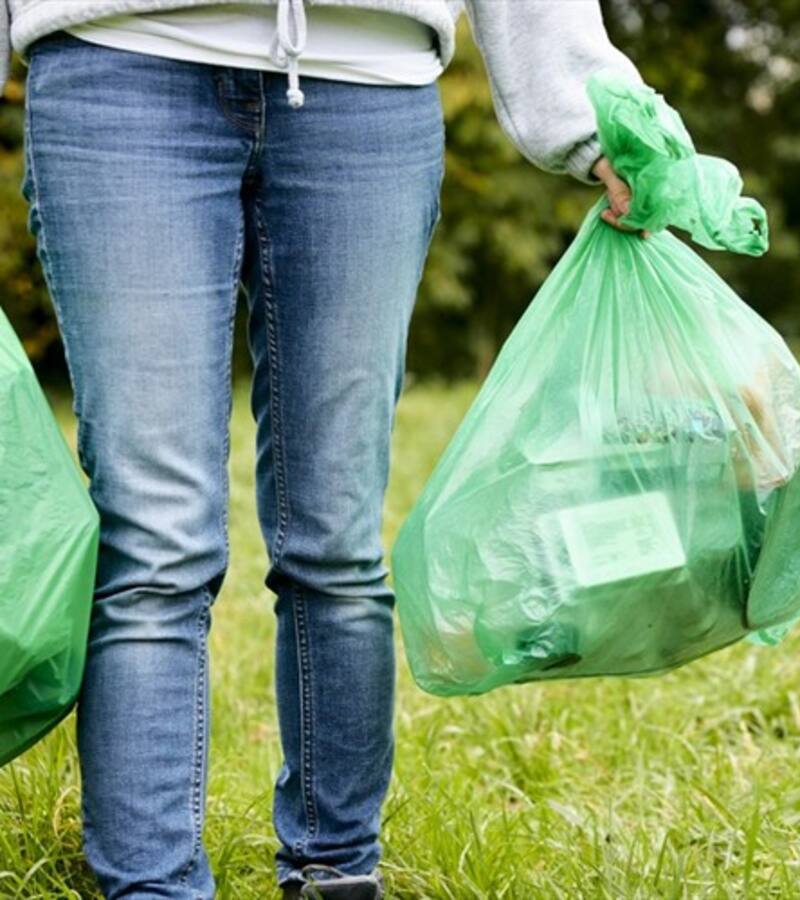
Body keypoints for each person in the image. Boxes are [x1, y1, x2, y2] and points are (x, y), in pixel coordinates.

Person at [4, 1, 640, 897]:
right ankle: (153, 885)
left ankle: (336, 872)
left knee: (336, 541)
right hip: (118, 64)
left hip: (367, 85)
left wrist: (592, 114)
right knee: (153, 543)